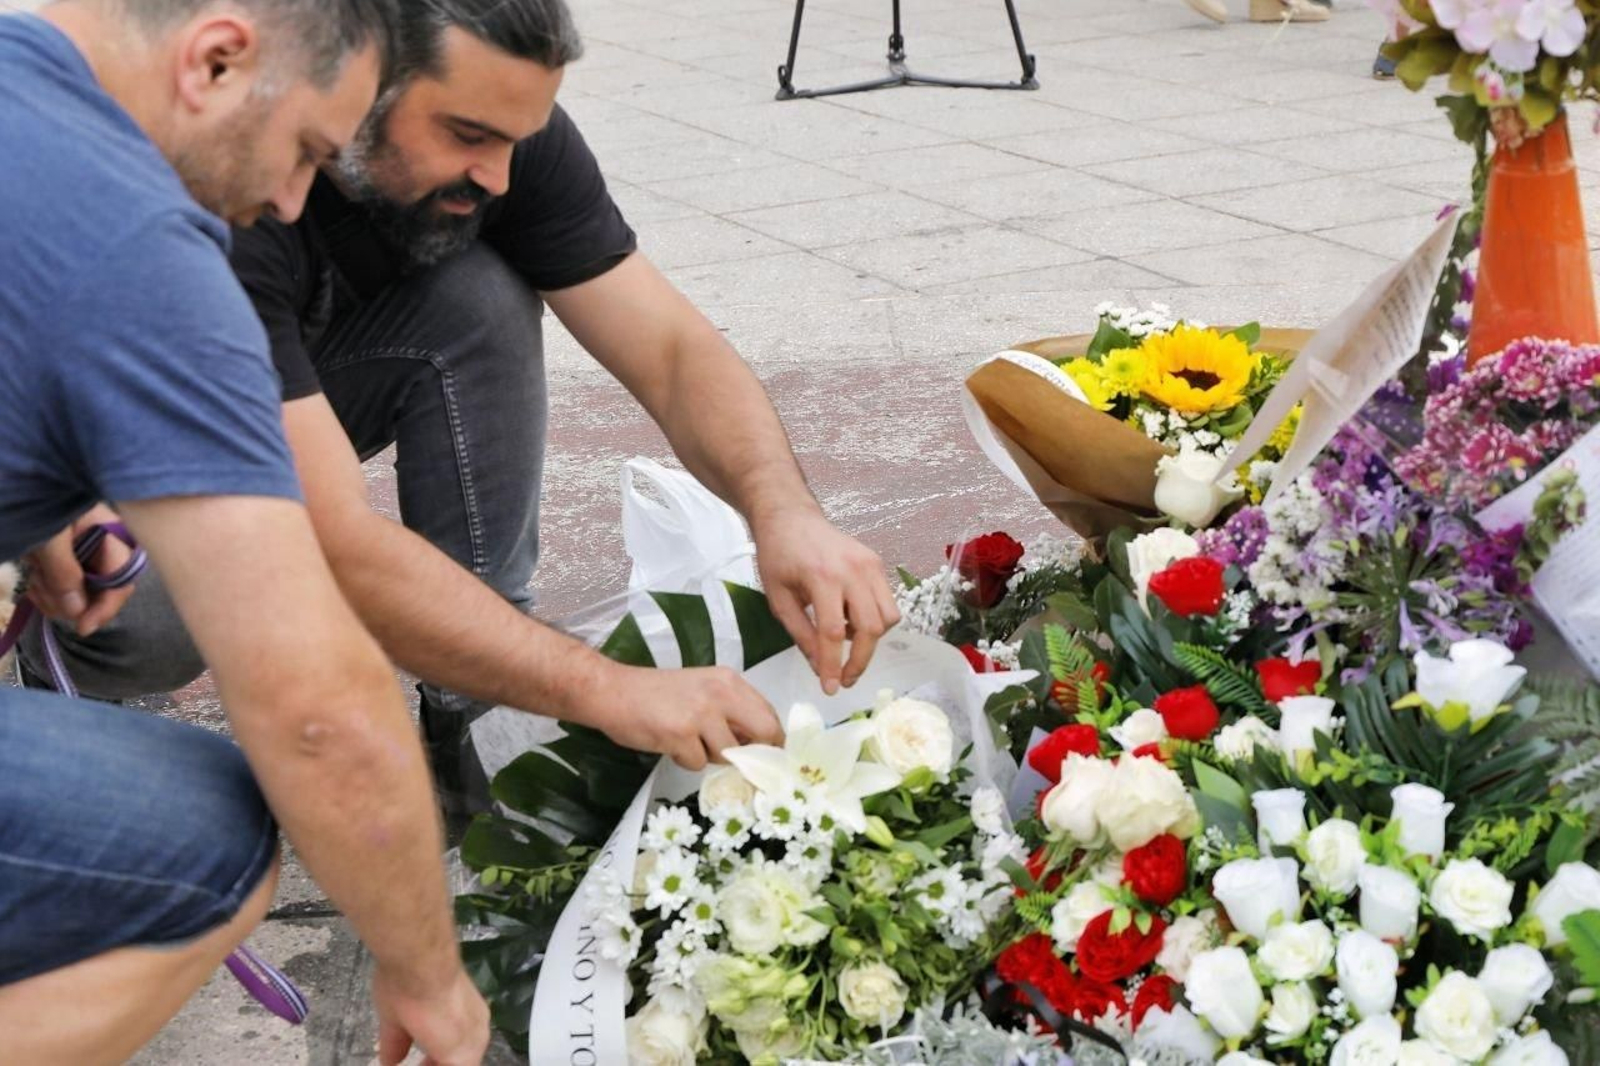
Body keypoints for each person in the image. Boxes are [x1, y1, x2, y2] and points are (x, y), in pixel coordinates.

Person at [20, 0, 895, 816]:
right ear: (363, 81)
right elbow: (328, 539)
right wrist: (606, 688)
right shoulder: (228, 179)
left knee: (478, 292)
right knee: (167, 663)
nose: (500, 173)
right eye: (468, 134)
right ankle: (72, 711)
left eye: (518, 137)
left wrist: (782, 512)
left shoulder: (499, 137)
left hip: (282, 391)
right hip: (100, 500)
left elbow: (670, 351)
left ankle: (475, 697)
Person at [0, 2, 493, 1062]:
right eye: (308, 152)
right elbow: (316, 708)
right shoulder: (137, 243)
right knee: (203, 832)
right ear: (217, 60)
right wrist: (430, 975)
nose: (290, 199)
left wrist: (32, 516)